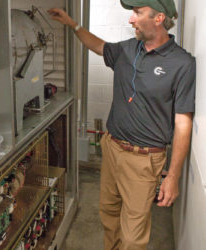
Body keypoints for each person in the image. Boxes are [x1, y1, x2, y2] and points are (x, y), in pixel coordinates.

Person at [48, 0, 196, 249]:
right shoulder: (128, 50)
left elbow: (183, 122)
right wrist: (73, 24)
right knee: (108, 215)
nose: (131, 19)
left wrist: (173, 175)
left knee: (133, 235)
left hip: (144, 161)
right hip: (112, 148)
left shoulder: (182, 63)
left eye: (137, 13)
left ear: (159, 18)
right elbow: (98, 46)